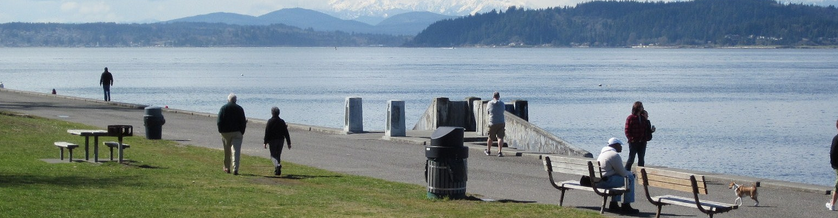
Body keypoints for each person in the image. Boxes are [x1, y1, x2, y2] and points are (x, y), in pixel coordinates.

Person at [597, 137, 640, 214]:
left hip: (598, 181)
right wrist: (632, 174)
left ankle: (614, 204)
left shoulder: (602, 153)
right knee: (629, 178)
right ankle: (626, 205)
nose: (621, 147)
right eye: (620, 145)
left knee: (620, 178)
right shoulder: (614, 155)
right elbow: (623, 173)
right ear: (615, 145)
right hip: (605, 182)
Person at [217, 93, 247, 175]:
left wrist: (220, 130)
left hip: (225, 133)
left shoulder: (223, 108)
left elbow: (219, 121)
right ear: (235, 100)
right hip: (237, 132)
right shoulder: (240, 109)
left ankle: (227, 167)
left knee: (227, 151)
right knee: (236, 151)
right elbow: (243, 122)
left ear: (228, 100)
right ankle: (235, 168)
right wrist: (242, 131)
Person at [263, 106, 292, 176]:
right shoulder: (282, 121)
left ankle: (277, 165)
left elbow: (267, 132)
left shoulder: (270, 121)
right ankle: (277, 170)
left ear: (272, 113)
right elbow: (286, 132)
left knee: (273, 155)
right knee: (278, 154)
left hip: (272, 140)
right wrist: (289, 142)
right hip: (281, 140)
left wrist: (265, 142)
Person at [624, 101, 648, 171]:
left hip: (642, 142)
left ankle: (641, 175)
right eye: (641, 107)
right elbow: (627, 130)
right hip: (633, 142)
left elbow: (646, 129)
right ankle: (626, 172)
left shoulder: (643, 118)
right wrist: (631, 139)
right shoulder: (630, 118)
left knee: (641, 159)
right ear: (637, 108)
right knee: (631, 158)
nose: (643, 108)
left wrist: (646, 138)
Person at [484, 91, 506, 157]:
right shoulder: (502, 103)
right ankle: (499, 152)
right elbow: (503, 110)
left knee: (490, 137)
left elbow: (488, 111)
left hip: (492, 122)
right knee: (500, 137)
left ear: (493, 96)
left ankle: (488, 151)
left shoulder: (490, 103)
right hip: (501, 122)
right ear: (499, 96)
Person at [828, 118, 838, 211]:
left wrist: (833, 164)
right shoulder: (836, 139)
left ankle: (832, 204)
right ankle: (832, 204)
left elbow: (832, 152)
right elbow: (833, 153)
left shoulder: (836, 138)